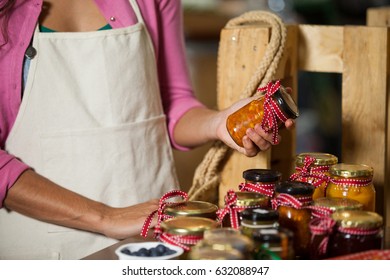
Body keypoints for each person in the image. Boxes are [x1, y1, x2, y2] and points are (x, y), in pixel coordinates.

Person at [0, 0, 294, 259]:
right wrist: (106, 217)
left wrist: (218, 123)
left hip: (154, 233)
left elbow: (171, 104)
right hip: (44, 246)